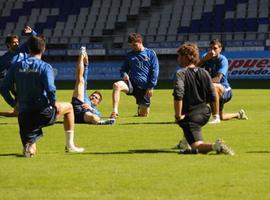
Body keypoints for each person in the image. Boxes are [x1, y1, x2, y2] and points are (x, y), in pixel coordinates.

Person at [0, 35, 84, 157]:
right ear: (43, 49)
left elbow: (3, 87)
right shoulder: (45, 66)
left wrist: (14, 104)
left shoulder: (16, 66)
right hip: (43, 112)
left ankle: (29, 148)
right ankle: (70, 145)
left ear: (28, 49)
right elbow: (50, 89)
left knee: (30, 147)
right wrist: (53, 102)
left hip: (24, 114)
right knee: (69, 107)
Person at [173, 42, 234, 155]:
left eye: (179, 56)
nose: (178, 59)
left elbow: (178, 94)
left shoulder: (180, 73)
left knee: (196, 144)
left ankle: (216, 146)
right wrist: (215, 115)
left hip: (192, 117)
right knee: (189, 125)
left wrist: (177, 116)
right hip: (205, 112)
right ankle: (184, 142)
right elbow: (212, 95)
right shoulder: (204, 72)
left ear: (186, 57)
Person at [198, 39, 248, 124]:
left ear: (220, 49)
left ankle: (215, 117)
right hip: (211, 89)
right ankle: (239, 114)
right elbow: (194, 69)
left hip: (225, 89)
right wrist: (204, 60)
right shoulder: (205, 57)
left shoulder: (222, 60)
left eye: (215, 48)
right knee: (222, 116)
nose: (212, 50)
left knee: (213, 86)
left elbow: (218, 79)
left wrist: (203, 85)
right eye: (210, 48)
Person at [110, 32, 159, 118]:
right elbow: (123, 69)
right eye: (131, 45)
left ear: (140, 42)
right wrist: (124, 74)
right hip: (131, 84)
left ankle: (141, 107)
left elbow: (155, 71)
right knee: (116, 85)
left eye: (135, 45)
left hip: (144, 86)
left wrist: (151, 87)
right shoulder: (129, 55)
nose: (133, 47)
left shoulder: (151, 53)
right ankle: (115, 112)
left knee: (143, 115)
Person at [71, 47, 115, 125]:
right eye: (92, 95)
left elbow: (99, 114)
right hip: (77, 106)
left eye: (96, 98)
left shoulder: (94, 109)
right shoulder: (85, 96)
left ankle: (101, 123)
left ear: (97, 103)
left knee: (94, 117)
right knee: (80, 80)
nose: (93, 97)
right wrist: (85, 60)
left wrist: (90, 108)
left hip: (83, 115)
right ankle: (81, 54)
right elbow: (85, 75)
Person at [0, 26, 37, 117]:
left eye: (17, 42)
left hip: (27, 78)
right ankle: (15, 105)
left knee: (19, 113)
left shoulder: (22, 49)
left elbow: (35, 39)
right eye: (14, 43)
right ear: (8, 45)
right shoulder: (4, 58)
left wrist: (31, 32)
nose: (17, 44)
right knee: (2, 87)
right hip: (15, 82)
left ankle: (23, 107)